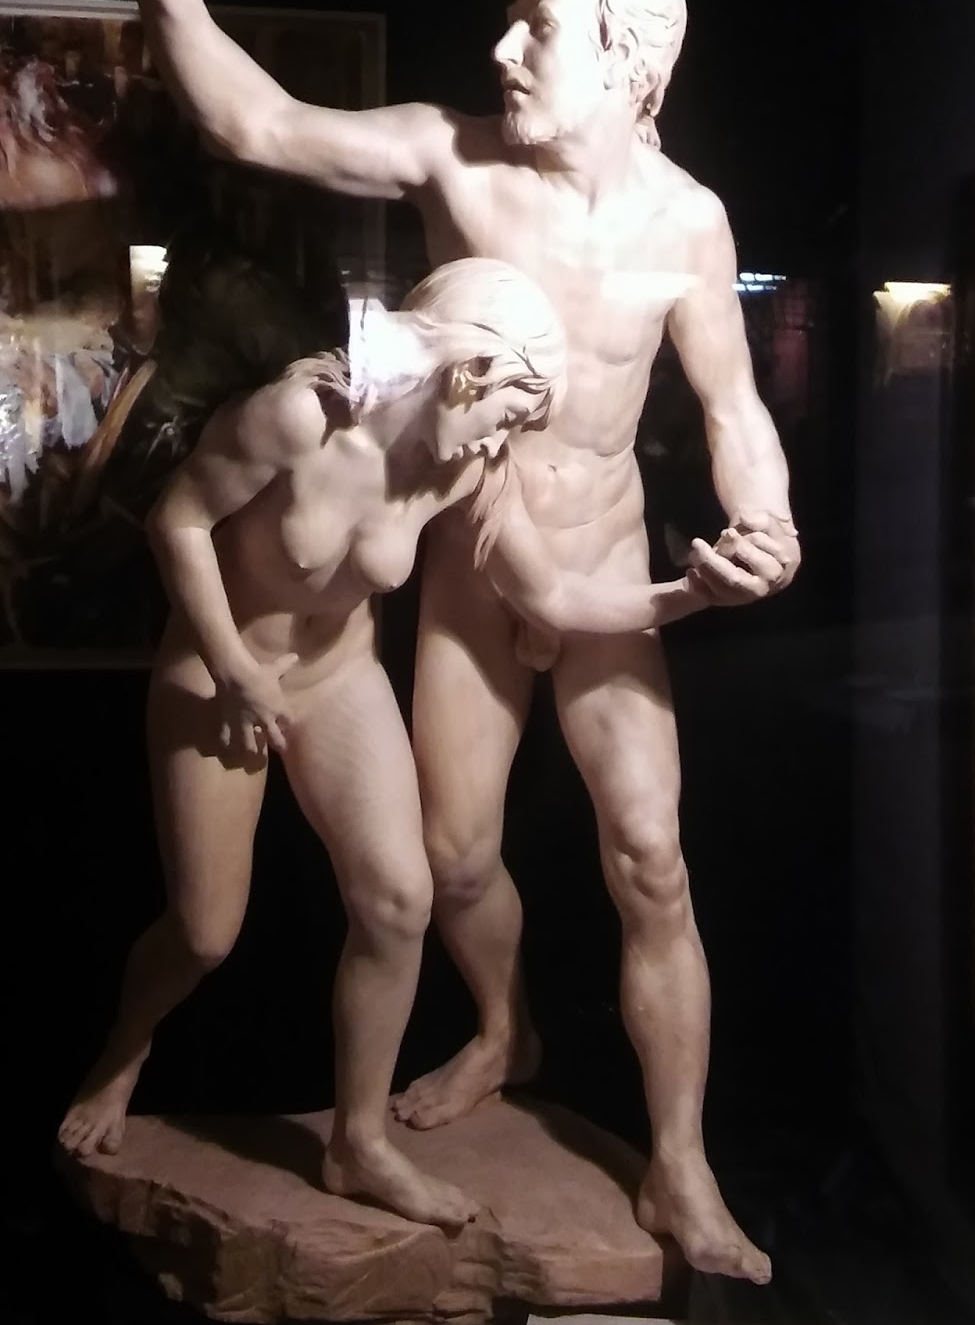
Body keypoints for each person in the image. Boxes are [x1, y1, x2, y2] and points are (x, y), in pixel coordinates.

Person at [122, 0, 800, 1281]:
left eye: (536, 31)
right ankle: (504, 1028)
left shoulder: (686, 222)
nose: (502, 51)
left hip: (602, 550)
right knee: (453, 854)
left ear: (626, 64)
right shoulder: (451, 155)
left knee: (649, 853)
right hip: (468, 563)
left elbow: (732, 402)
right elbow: (253, 119)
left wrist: (762, 516)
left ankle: (680, 1167)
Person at [57, 257, 713, 1230]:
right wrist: (232, 663)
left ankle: (357, 1143)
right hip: (219, 664)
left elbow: (553, 595)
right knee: (204, 933)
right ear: (467, 375)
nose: (502, 441)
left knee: (402, 900)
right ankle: (123, 1053)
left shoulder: (468, 469)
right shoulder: (301, 418)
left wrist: (690, 595)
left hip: (337, 677)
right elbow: (179, 522)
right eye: (506, 414)